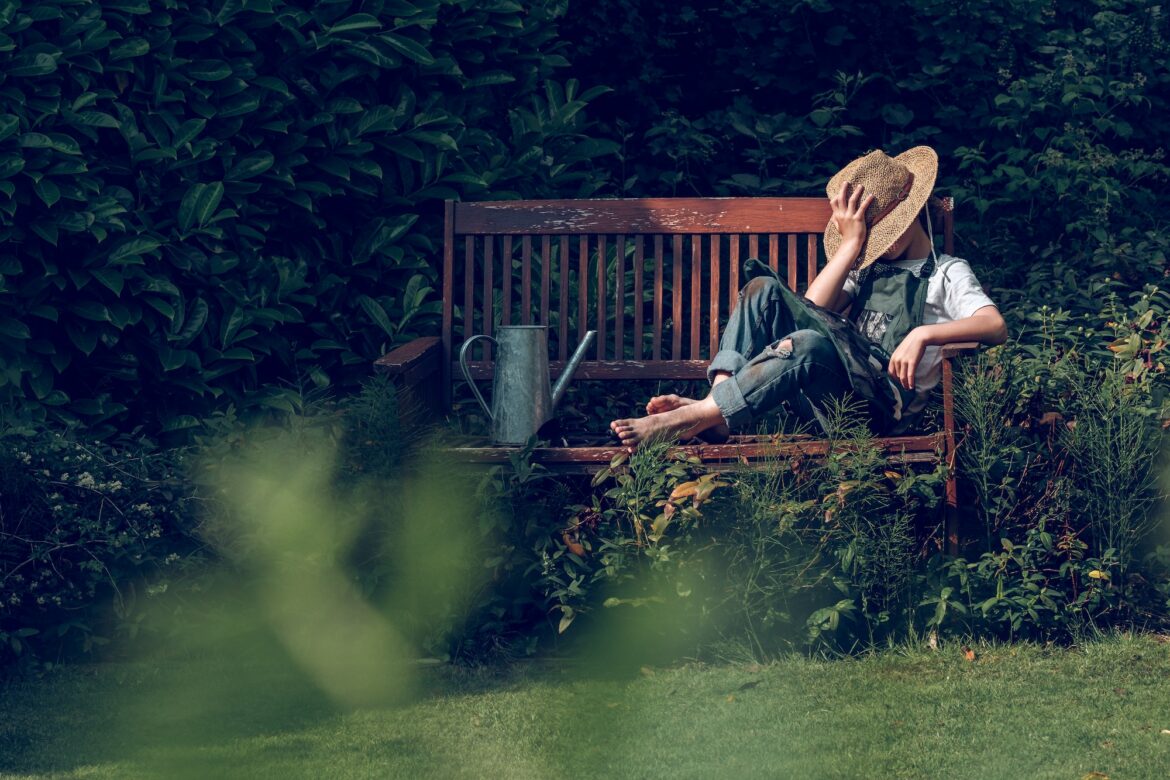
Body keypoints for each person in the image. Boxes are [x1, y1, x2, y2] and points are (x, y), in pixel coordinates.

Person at [609, 146, 1008, 450]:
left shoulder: (945, 272)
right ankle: (715, 409)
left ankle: (698, 415)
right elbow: (808, 310)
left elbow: (994, 325)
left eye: (879, 235)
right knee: (762, 289)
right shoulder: (866, 268)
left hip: (877, 411)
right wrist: (852, 246)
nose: (877, 246)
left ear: (907, 215)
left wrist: (923, 334)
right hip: (826, 396)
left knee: (810, 345)